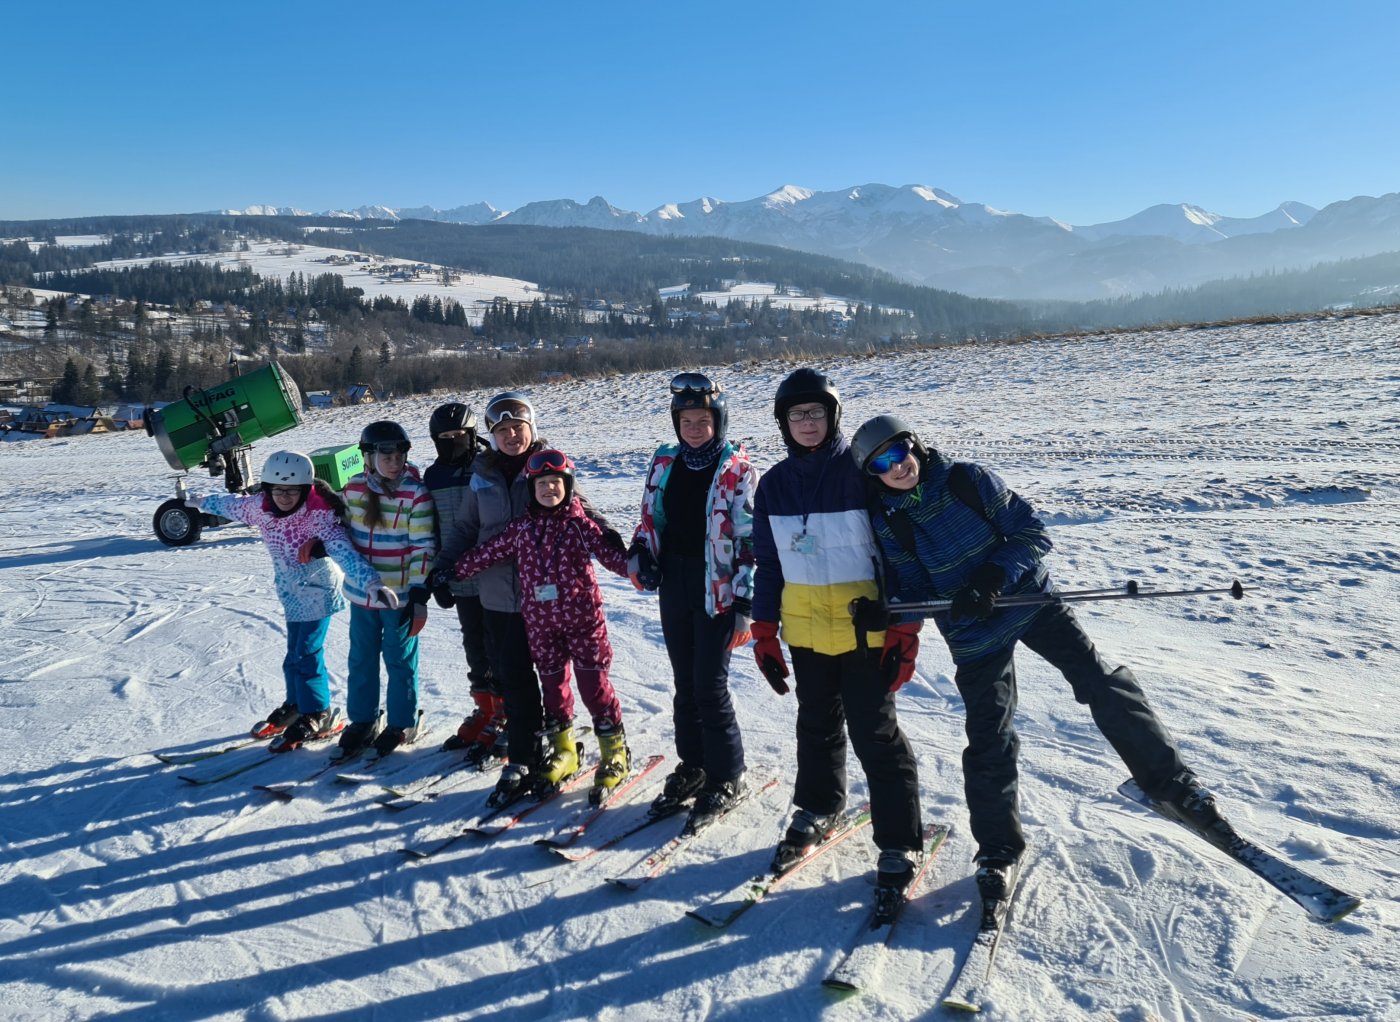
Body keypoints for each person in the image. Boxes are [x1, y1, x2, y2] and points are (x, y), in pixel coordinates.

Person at [850, 413, 1226, 908]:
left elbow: (1031, 534)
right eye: (882, 464)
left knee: (1099, 681)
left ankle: (1170, 783)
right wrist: (891, 607)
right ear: (872, 475)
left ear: (915, 446)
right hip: (973, 633)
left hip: (1029, 602)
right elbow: (916, 585)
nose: (897, 468)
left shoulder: (968, 480)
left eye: (901, 452)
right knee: (990, 737)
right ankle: (997, 851)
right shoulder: (888, 520)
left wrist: (990, 578)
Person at [749, 368, 924, 904]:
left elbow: (903, 555)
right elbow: (770, 565)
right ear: (783, 422)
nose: (807, 423)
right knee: (816, 724)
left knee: (876, 732)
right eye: (797, 414)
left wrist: (905, 627)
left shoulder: (861, 474)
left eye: (816, 413)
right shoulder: (774, 485)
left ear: (833, 416)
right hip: (805, 632)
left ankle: (899, 841)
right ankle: (820, 805)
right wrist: (763, 630)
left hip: (865, 631)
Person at [434, 392, 622, 807]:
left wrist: (616, 543)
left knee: (567, 680)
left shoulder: (548, 466)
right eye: (502, 430)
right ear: (492, 436)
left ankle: (584, 744)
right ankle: (523, 755)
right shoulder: (481, 475)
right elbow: (468, 530)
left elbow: (584, 513)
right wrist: (444, 568)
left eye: (518, 427)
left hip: (551, 602)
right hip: (500, 598)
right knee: (516, 680)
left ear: (531, 430)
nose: (511, 435)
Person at [188, 450, 394, 751]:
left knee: (307, 653)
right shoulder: (260, 507)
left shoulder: (319, 515)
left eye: (293, 490)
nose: (285, 496)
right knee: (293, 654)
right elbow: (232, 504)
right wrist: (203, 501)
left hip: (318, 591)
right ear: (268, 488)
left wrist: (372, 582)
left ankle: (317, 713)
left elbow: (343, 552)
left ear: (306, 489)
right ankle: (296, 704)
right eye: (279, 489)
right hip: (291, 594)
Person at [629, 372, 757, 830]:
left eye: (703, 419)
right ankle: (695, 764)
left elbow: (749, 540)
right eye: (687, 420)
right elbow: (649, 520)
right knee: (684, 681)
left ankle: (728, 775)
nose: (695, 427)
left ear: (718, 421)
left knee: (709, 685)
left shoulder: (736, 470)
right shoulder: (664, 463)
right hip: (675, 582)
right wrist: (640, 552)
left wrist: (745, 603)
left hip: (717, 589)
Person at [340, 420, 437, 757]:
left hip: (399, 597)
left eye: (399, 455)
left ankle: (402, 722)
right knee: (361, 659)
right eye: (386, 456)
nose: (394, 462)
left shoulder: (415, 492)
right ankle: (363, 720)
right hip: (361, 593)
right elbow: (340, 534)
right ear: (367, 456)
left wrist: (419, 592)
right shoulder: (352, 489)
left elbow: (422, 545)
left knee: (400, 660)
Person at [422, 401, 503, 760]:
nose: (453, 441)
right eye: (445, 437)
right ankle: (486, 707)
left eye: (460, 436)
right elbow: (434, 529)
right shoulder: (433, 476)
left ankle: (506, 710)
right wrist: (437, 574)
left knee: (500, 645)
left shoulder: (488, 467)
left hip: (494, 577)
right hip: (458, 577)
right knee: (474, 644)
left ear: (473, 437)